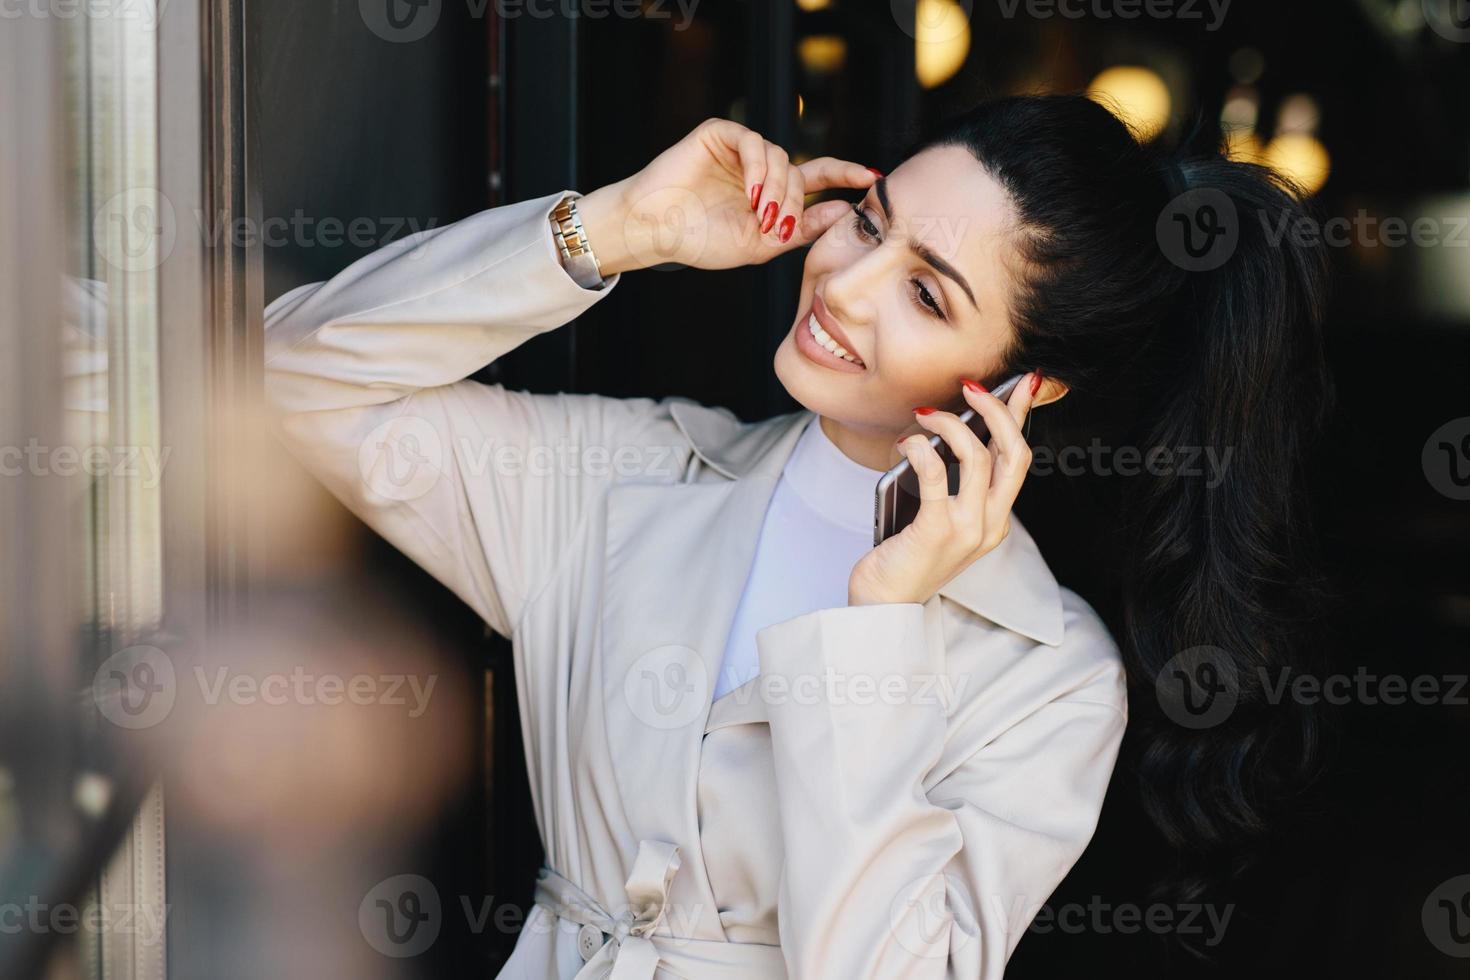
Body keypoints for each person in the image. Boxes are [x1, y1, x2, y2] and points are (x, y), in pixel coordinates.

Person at [263, 94, 1329, 978]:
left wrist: (885, 625)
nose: (843, 284)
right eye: (868, 218)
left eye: (923, 292)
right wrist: (622, 229)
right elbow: (287, 380)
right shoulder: (629, 478)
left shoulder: (1047, 675)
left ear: (1021, 386)